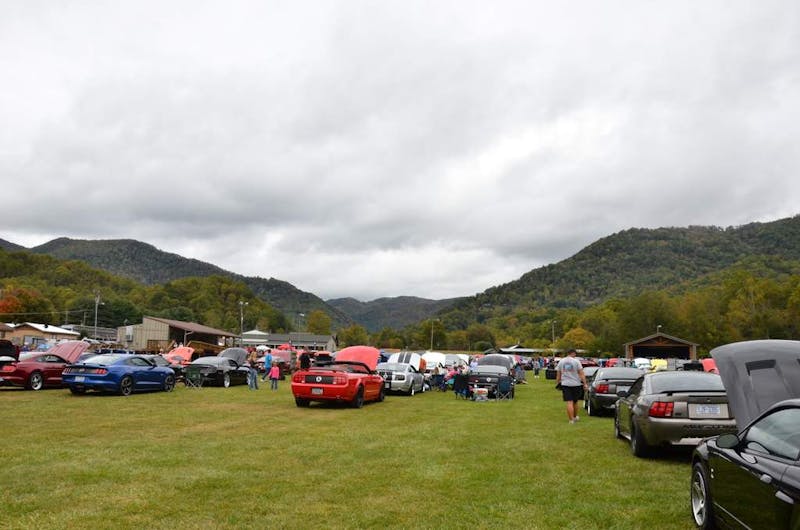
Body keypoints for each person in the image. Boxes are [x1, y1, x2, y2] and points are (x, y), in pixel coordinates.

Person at [556, 349, 588, 424]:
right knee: (575, 401)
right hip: (576, 383)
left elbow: (558, 374)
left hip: (565, 384)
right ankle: (575, 416)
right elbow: (581, 373)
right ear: (573, 353)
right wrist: (585, 383)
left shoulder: (561, 361)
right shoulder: (576, 361)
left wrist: (558, 382)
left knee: (569, 402)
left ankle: (571, 420)